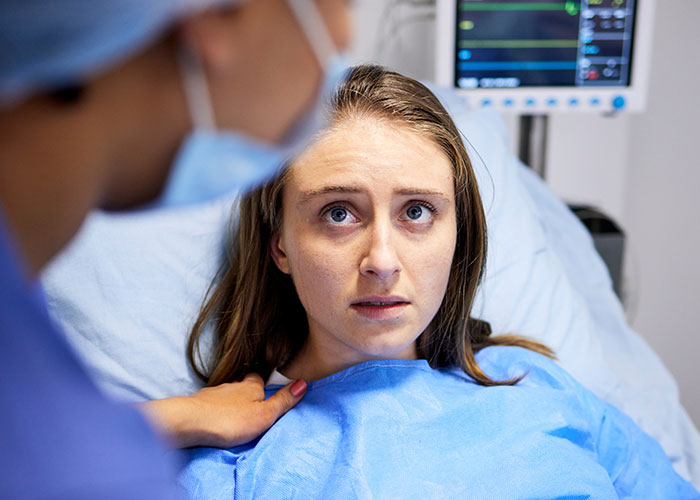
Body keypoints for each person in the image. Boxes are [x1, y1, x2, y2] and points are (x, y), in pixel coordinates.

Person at [180, 65, 699, 498]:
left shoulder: (534, 381)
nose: (382, 261)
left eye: (418, 212)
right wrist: (168, 420)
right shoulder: (233, 464)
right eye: (339, 213)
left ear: (458, 235)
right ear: (281, 246)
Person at [0, 0, 351, 497]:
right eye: (342, 5)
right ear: (216, 15)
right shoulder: (80, 469)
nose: (343, 41)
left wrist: (164, 421)